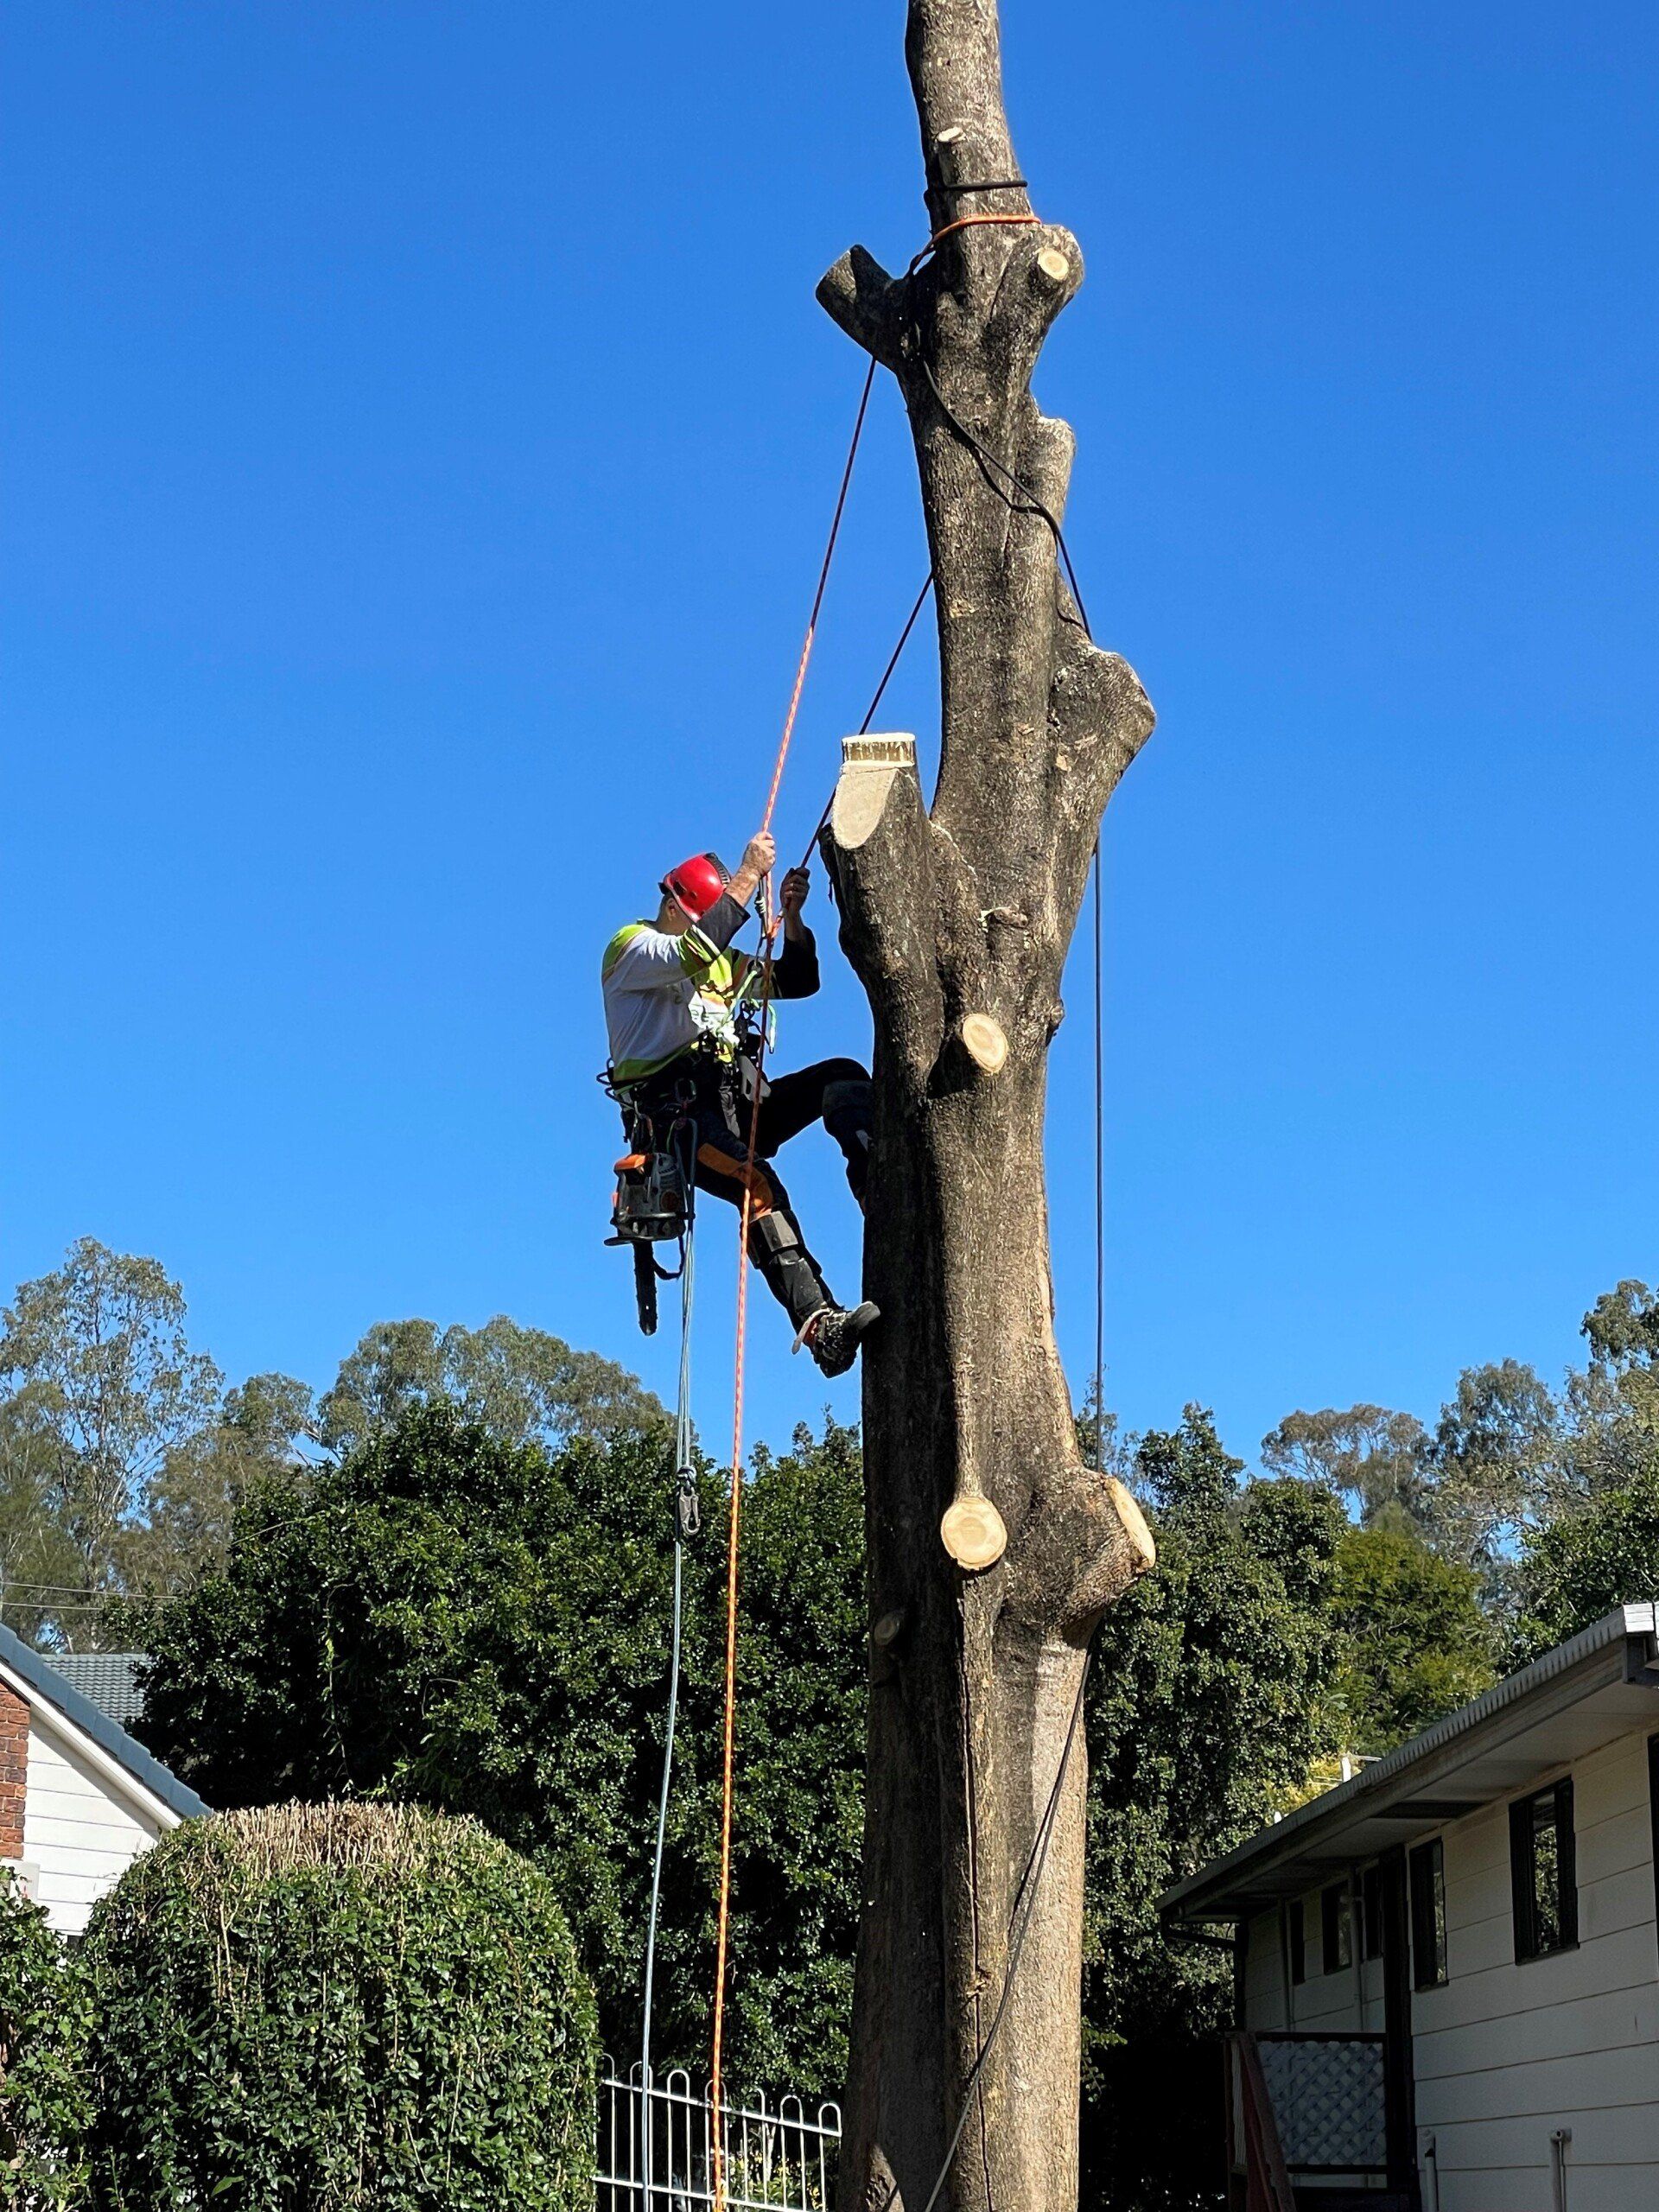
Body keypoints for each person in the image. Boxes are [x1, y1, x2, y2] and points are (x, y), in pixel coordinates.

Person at [601, 830, 879, 1376]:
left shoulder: (721, 964)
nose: (715, 935)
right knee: (756, 1183)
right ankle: (821, 1326)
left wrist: (793, 919)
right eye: (706, 919)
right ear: (676, 907)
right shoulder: (634, 949)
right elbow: (691, 950)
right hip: (679, 1117)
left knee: (843, 1078)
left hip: (737, 1100)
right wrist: (749, 875)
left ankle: (875, 1180)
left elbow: (799, 981)